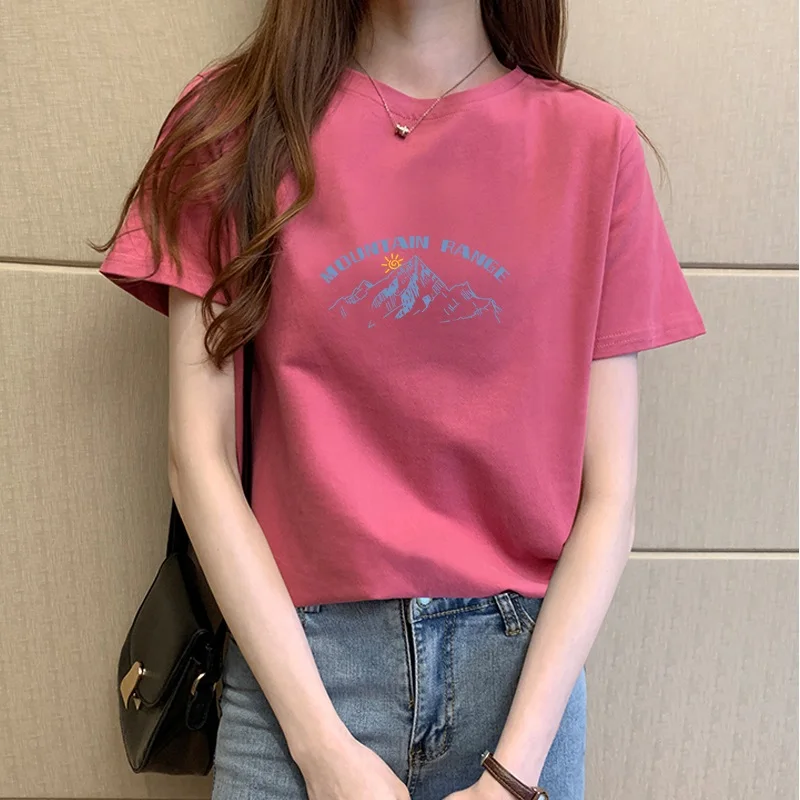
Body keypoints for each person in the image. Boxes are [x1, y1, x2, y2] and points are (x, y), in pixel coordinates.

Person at [95, 0, 706, 798]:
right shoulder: (233, 126)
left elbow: (610, 497)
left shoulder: (594, 148)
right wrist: (320, 747)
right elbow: (197, 459)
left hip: (521, 688)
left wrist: (511, 776)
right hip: (296, 677)